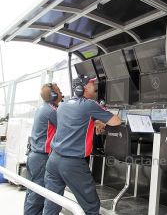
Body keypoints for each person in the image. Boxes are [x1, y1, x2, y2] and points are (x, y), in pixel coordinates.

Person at [43, 75, 121, 215]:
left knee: (52, 203)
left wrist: (95, 122)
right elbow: (116, 121)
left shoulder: (63, 105)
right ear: (82, 88)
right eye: (92, 84)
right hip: (72, 164)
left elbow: (75, 123)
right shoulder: (89, 104)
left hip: (53, 160)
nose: (95, 87)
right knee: (91, 206)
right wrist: (101, 121)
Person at [24, 83, 63, 215]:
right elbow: (67, 125)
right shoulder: (52, 111)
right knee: (37, 195)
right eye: (59, 91)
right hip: (41, 157)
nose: (61, 92)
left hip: (35, 155)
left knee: (32, 192)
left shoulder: (43, 107)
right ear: (53, 95)